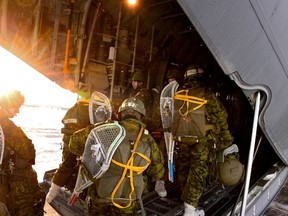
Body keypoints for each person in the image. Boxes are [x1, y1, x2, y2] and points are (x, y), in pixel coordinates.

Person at [69, 97, 165, 215]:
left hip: (100, 194)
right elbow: (157, 172)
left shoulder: (107, 128)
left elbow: (74, 145)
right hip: (128, 197)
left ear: (120, 114)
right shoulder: (147, 139)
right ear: (141, 115)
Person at [161, 65, 233, 216]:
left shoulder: (177, 94)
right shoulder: (206, 94)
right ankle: (190, 209)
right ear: (202, 77)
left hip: (181, 139)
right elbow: (221, 117)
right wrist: (226, 141)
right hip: (201, 141)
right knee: (198, 173)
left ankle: (186, 201)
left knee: (184, 169)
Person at [0, 89, 45, 216]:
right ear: (7, 105)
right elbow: (29, 152)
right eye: (16, 107)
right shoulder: (7, 126)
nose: (18, 111)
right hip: (16, 187)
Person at [46, 99, 91, 204]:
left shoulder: (75, 110)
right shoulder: (84, 112)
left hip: (72, 139)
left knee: (68, 163)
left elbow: (66, 165)